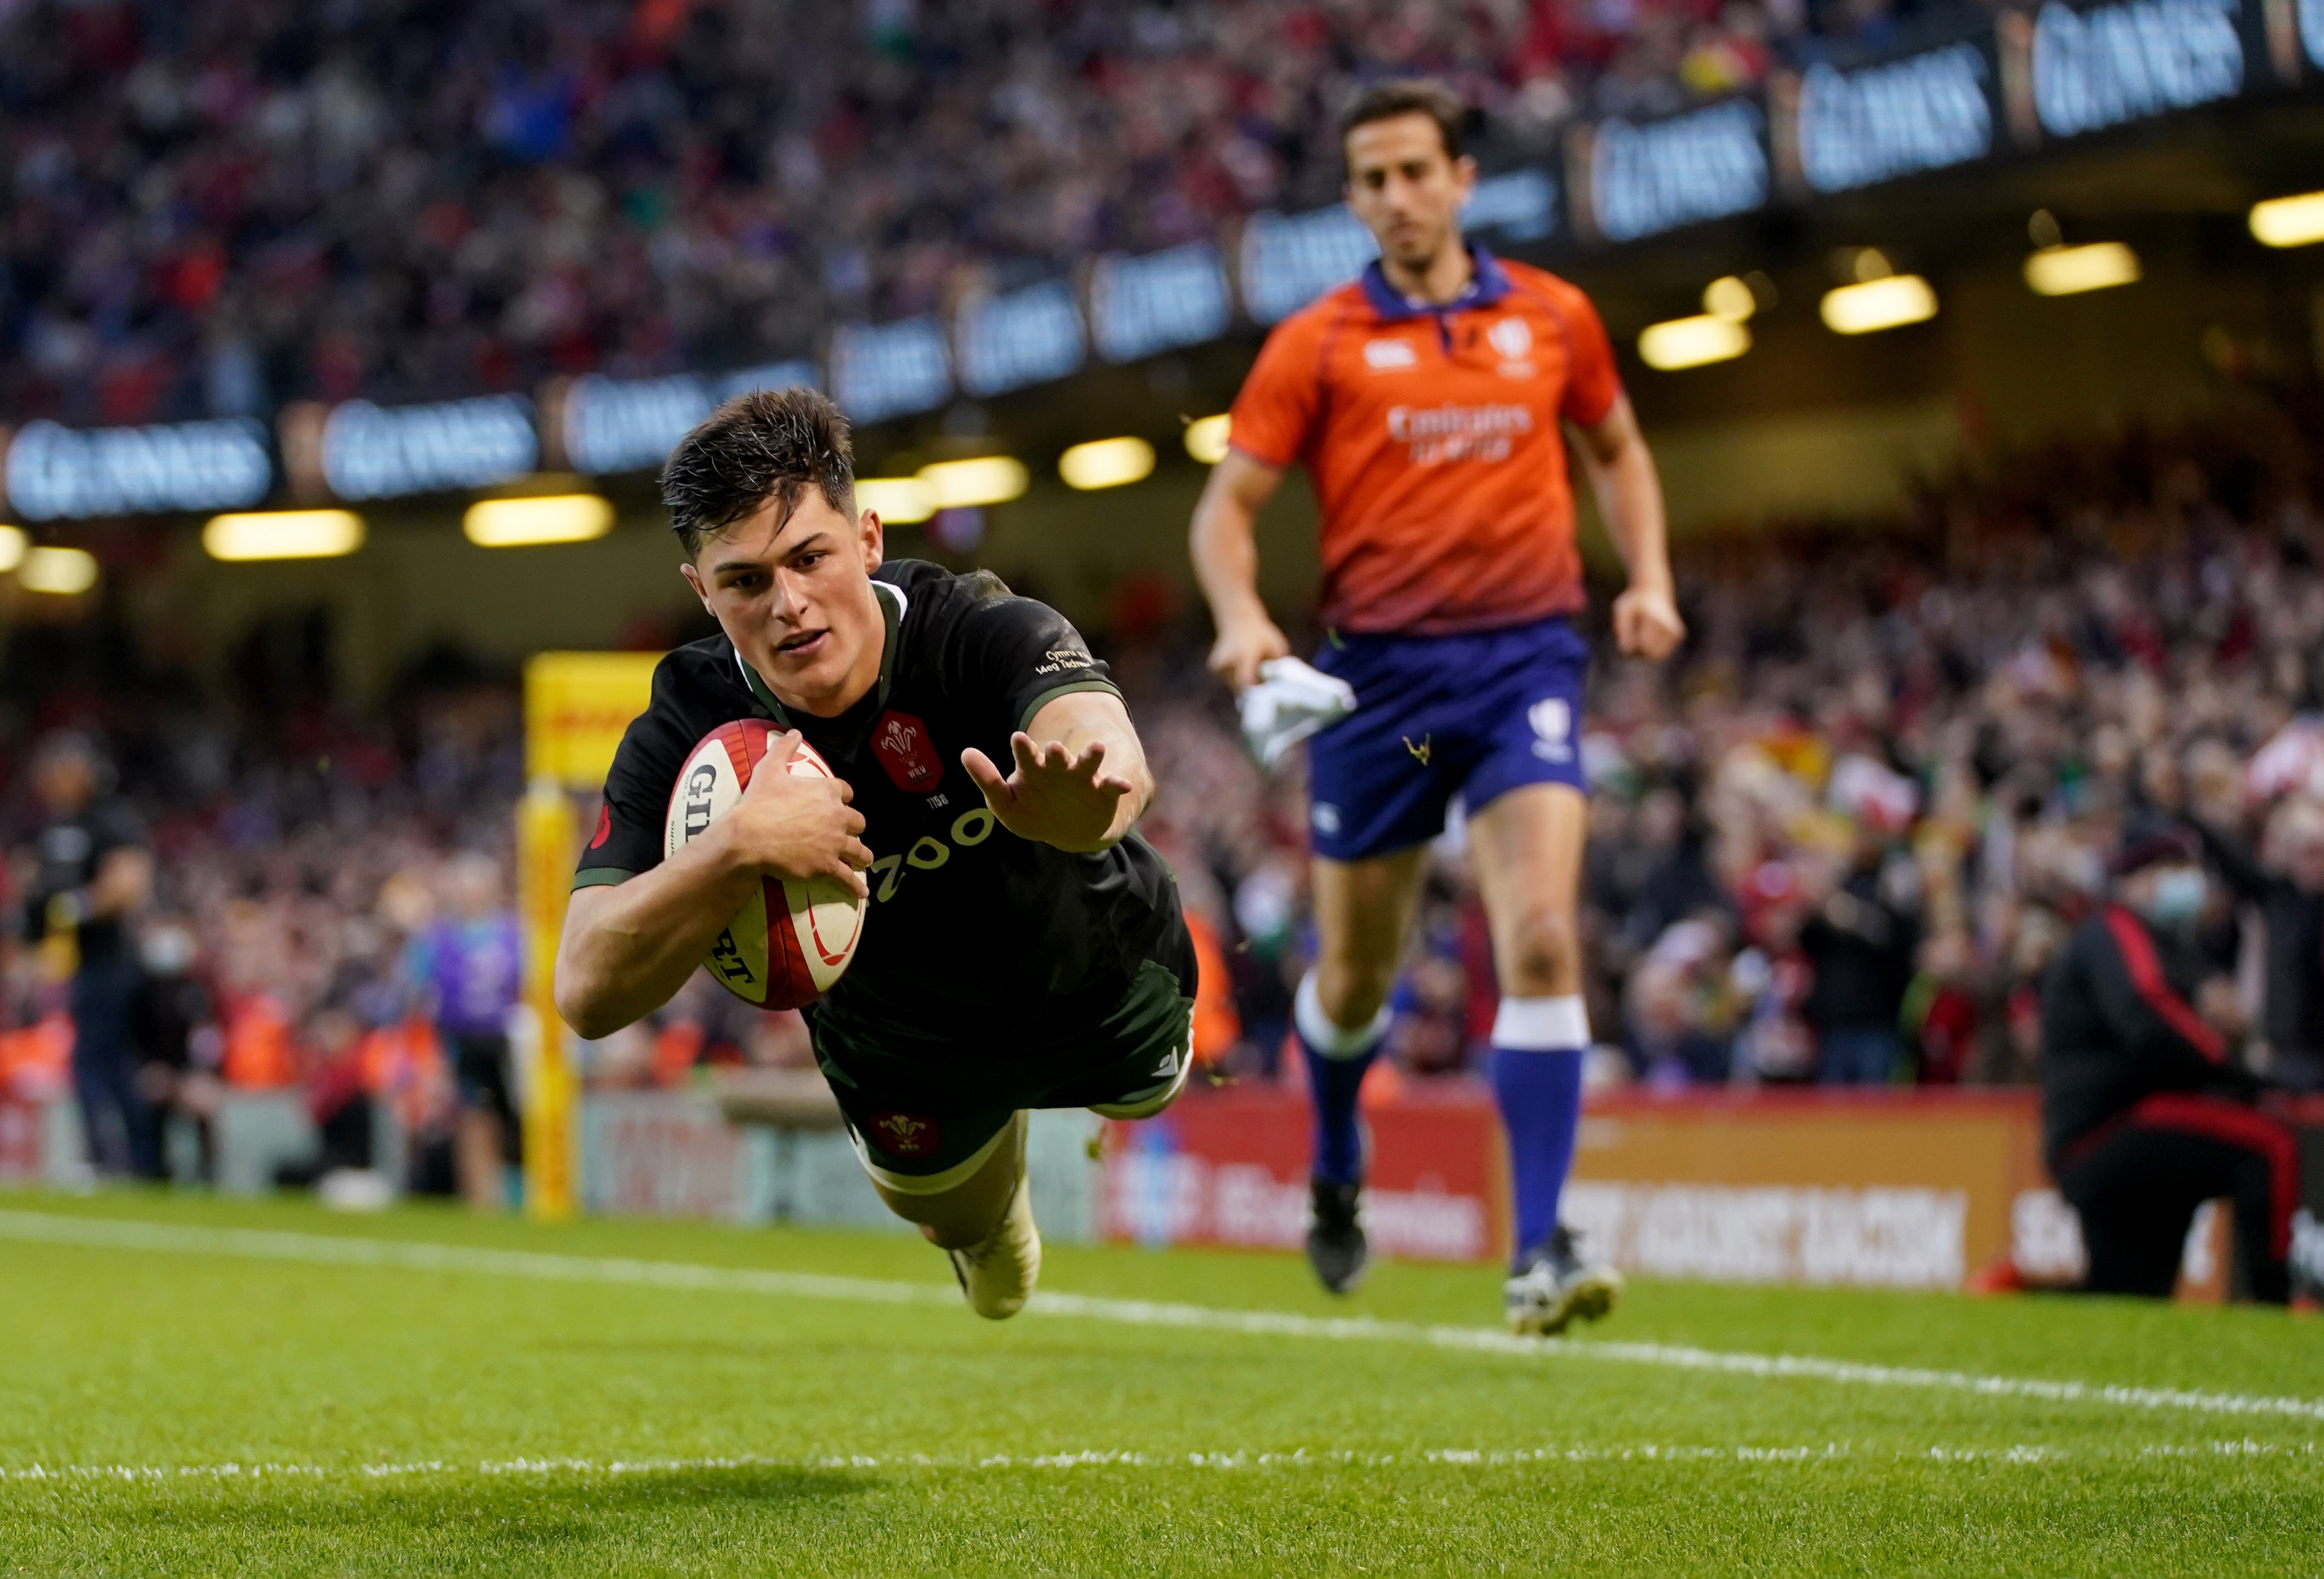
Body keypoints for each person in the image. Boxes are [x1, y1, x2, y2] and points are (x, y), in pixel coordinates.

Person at [1188, 79, 1684, 1332]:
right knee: (1356, 981)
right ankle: (1340, 1157)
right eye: (1372, 179)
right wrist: (1245, 620)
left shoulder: (1554, 317)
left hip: (1526, 667)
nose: (1397, 198)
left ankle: (1542, 1248)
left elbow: (1618, 448)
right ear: (1353, 198)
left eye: (1416, 171)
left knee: (1543, 940)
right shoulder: (1317, 342)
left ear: (1463, 178)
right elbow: (1225, 511)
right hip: (1384, 695)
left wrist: (1651, 579)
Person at [555, 387, 1194, 1320]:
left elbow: (1098, 733)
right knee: (952, 1219)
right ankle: (984, 1221)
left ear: (866, 538)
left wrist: (1086, 800)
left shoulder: (970, 626)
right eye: (745, 581)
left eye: (810, 557)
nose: (789, 604)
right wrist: (738, 845)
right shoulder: (686, 724)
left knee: (1154, 1090)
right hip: (901, 1051)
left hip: (1099, 985)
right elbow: (584, 987)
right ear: (702, 590)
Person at [2039, 820, 2295, 1302]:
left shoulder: (2166, 944)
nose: (2188, 880)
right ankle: (2274, 1303)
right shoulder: (2118, 927)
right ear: (2134, 878)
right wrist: (2240, 1075)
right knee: (2270, 1146)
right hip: (2110, 1126)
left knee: (2128, 1294)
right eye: (2173, 866)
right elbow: (2149, 1018)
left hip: (2091, 1135)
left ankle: (2017, 1299)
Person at [21, 733, 156, 1178]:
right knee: (106, 1065)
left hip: (110, 963)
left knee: (96, 1064)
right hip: (77, 964)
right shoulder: (55, 826)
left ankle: (108, 1159)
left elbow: (130, 881)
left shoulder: (109, 819)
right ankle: (136, 1162)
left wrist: (80, 905)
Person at [407, 853, 523, 1210]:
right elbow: (418, 996)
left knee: (511, 1119)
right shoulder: (437, 939)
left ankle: (512, 1194)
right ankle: (481, 1198)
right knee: (474, 1118)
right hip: (462, 1040)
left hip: (508, 1038)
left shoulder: (514, 933)